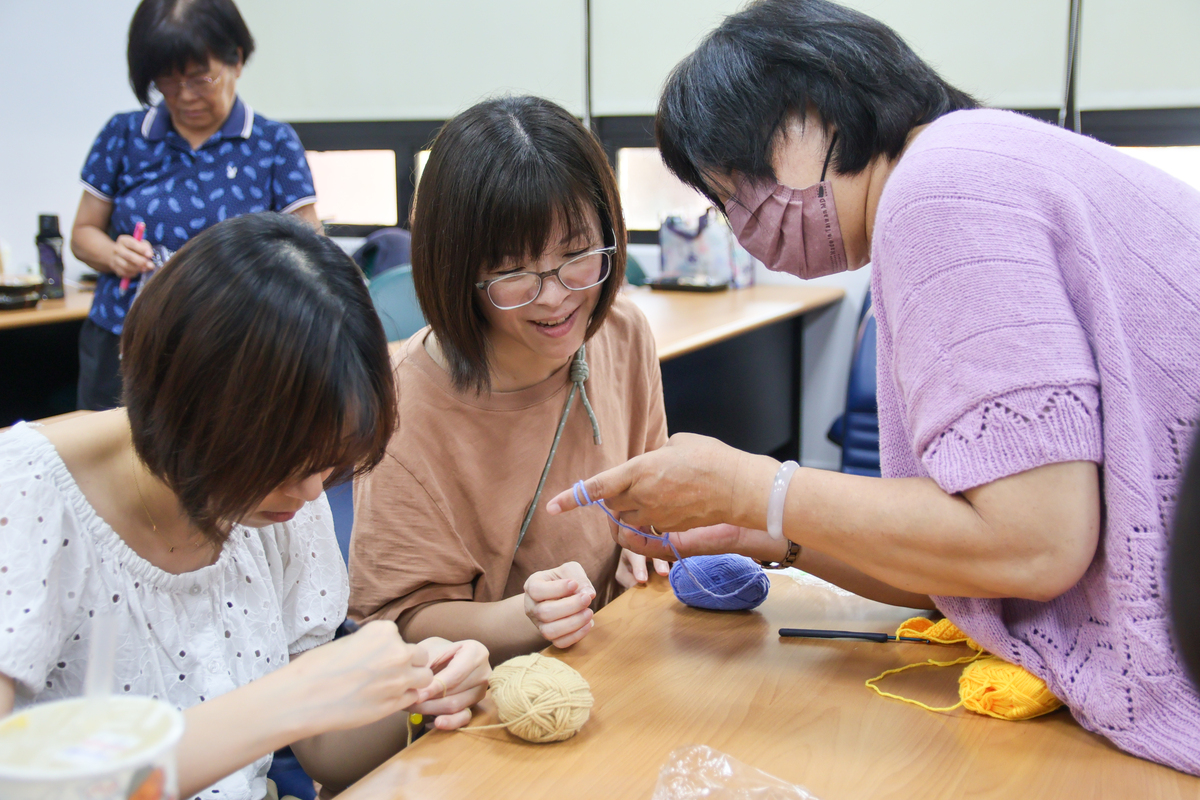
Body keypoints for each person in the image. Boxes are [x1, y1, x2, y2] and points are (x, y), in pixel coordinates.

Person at [547, 0, 1200, 775]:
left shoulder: (939, 192)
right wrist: (778, 534)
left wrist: (756, 487)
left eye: (736, 187)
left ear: (813, 111)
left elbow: (1036, 543)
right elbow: (972, 563)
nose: (742, 221)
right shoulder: (980, 159)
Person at [0, 214, 490, 800]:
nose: (312, 495)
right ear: (185, 403)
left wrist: (412, 693)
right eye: (288, 465)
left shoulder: (278, 499)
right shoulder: (26, 498)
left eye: (327, 468)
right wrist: (288, 699)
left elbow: (327, 756)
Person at [348, 96, 670, 665]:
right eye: (514, 272)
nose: (556, 297)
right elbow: (399, 623)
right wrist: (523, 615)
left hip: (615, 655)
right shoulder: (403, 410)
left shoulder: (622, 333)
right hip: (490, 701)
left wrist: (645, 549)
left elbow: (649, 501)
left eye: (577, 254)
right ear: (458, 270)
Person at [70, 0, 320, 412]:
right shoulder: (123, 135)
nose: (184, 96)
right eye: (166, 82)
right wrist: (114, 254)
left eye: (200, 78)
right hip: (123, 335)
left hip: (231, 343)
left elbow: (308, 246)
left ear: (236, 60)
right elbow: (82, 234)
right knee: (110, 458)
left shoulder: (273, 143)